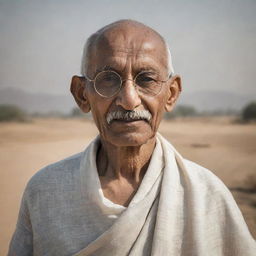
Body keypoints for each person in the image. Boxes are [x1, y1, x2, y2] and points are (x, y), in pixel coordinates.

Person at [8, 20, 256, 256]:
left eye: (146, 79)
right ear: (82, 95)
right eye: (108, 79)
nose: (129, 100)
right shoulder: (46, 191)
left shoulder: (207, 193)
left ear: (171, 94)